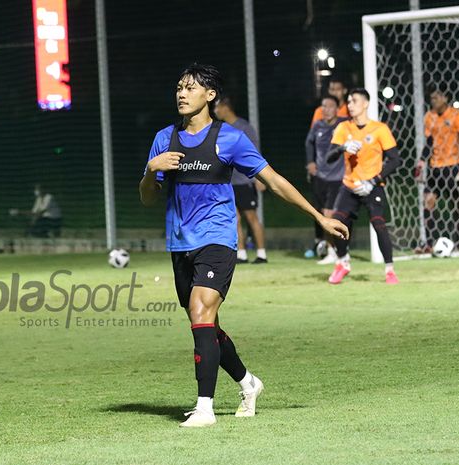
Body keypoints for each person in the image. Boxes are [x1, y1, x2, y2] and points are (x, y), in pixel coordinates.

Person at [139, 63, 348, 427]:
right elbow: (147, 197)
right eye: (179, 87)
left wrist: (319, 217)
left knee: (201, 311)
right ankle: (248, 383)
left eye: (190, 88)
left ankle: (204, 408)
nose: (182, 93)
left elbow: (276, 181)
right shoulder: (164, 139)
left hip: (218, 238)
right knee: (205, 325)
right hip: (179, 242)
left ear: (210, 95)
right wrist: (150, 170)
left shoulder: (230, 138)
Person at [325, 88, 402, 285]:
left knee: (379, 223)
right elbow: (329, 157)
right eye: (349, 101)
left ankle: (390, 270)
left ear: (366, 104)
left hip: (372, 185)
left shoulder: (380, 129)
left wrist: (373, 181)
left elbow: (395, 160)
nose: (350, 104)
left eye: (354, 101)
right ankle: (343, 263)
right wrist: (343, 147)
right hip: (349, 186)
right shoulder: (344, 128)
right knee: (336, 224)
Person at [414, 85, 459, 252]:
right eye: (432, 98)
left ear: (445, 98)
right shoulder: (429, 117)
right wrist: (422, 161)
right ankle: (429, 243)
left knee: (457, 205)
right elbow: (429, 142)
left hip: (453, 165)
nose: (434, 101)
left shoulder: (456, 115)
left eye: (437, 97)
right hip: (435, 166)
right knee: (428, 202)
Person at [214, 96, 268, 264]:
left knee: (251, 217)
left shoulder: (244, 127)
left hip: (244, 180)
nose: (215, 111)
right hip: (229, 182)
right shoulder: (220, 129)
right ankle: (241, 254)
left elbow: (255, 151)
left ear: (226, 107)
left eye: (217, 107)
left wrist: (259, 178)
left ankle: (261, 254)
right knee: (234, 218)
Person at [305, 95, 348, 264]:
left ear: (337, 109)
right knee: (322, 212)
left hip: (337, 178)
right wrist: (310, 162)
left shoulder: (344, 124)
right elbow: (308, 143)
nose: (326, 109)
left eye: (330, 106)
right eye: (324, 106)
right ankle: (335, 247)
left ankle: (333, 250)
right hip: (320, 176)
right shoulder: (318, 125)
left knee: (329, 214)